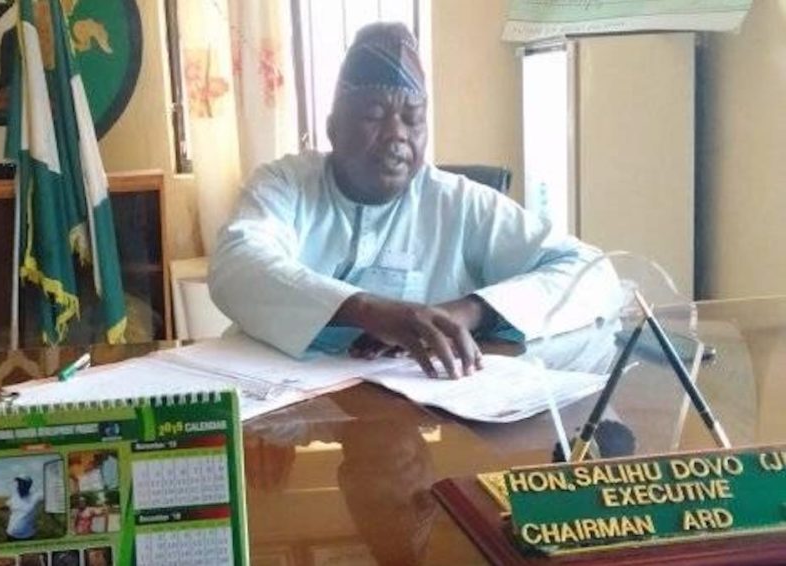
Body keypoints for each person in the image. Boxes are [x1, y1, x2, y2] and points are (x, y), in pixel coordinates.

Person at [209, 23, 618, 379]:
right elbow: (237, 264)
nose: (396, 134)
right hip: (280, 404)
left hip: (408, 410)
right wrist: (367, 310)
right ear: (333, 128)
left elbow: (592, 272)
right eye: (373, 115)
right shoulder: (286, 184)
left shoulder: (457, 201)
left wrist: (471, 311)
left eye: (413, 118)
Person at [6, 475, 44, 541]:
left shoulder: (35, 497)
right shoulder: (14, 496)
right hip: (10, 535)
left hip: (27, 537)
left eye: (22, 484)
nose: (19, 486)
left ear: (28, 485)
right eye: (18, 483)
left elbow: (51, 491)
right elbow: (6, 506)